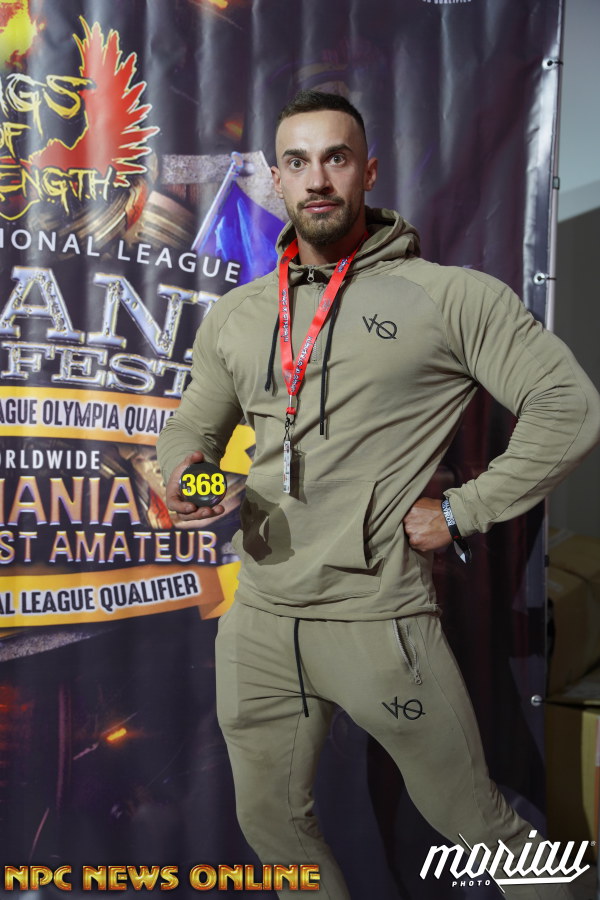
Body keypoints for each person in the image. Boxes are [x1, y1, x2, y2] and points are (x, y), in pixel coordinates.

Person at [157, 90, 600, 899]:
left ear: (368, 171)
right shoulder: (240, 315)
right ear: (277, 180)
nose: (317, 178)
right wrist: (189, 472)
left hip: (377, 619)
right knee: (272, 826)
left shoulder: (448, 296)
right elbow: (193, 426)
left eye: (336, 158)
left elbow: (567, 407)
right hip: (260, 618)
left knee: (478, 823)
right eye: (297, 162)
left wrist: (464, 509)